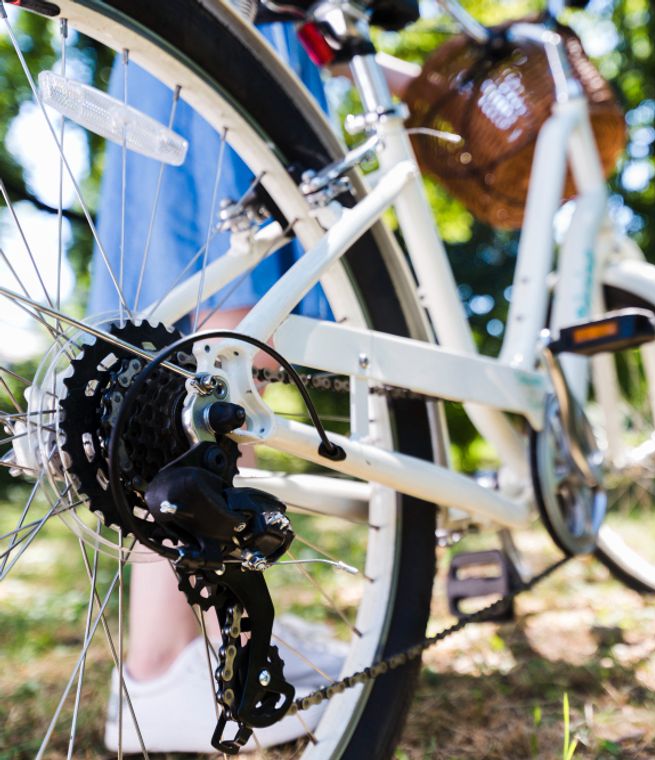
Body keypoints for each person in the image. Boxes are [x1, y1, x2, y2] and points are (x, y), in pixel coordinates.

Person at [92, 20, 415, 753]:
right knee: (227, 346)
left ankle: (180, 655)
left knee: (187, 348)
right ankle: (166, 665)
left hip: (178, 51)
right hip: (228, 55)